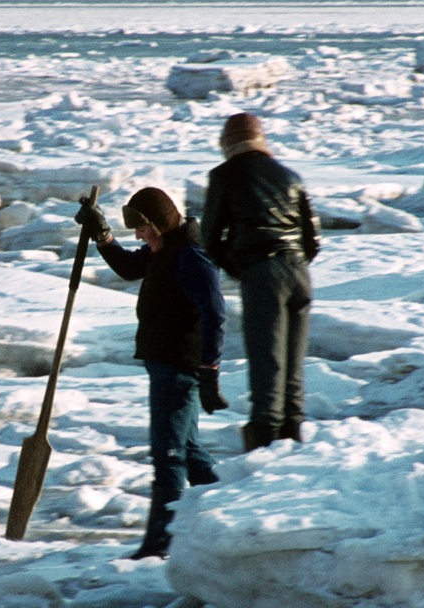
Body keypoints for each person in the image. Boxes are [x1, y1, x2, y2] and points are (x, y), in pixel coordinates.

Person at [76, 187, 228, 560]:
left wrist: (209, 371)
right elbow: (129, 268)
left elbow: (215, 313)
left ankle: (161, 544)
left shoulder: (189, 255)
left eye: (142, 228)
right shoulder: (165, 249)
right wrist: (102, 234)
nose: (139, 236)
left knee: (169, 455)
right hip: (165, 364)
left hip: (179, 367)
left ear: (160, 222)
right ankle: (228, 515)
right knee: (188, 452)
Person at [201, 112, 321, 452]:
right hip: (299, 273)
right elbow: (313, 239)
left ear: (227, 143)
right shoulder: (291, 176)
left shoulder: (224, 175)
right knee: (293, 361)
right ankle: (293, 433)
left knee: (267, 360)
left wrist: (241, 268)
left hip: (261, 271)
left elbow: (209, 238)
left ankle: (265, 440)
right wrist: (292, 262)